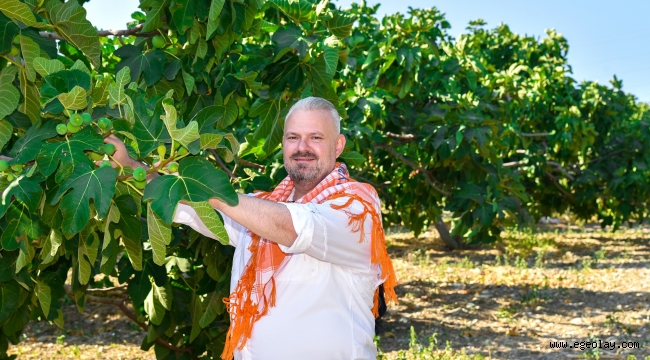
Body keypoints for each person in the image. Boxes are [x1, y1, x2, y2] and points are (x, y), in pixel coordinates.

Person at [104, 97, 398, 360]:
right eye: (293, 137)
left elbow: (291, 225)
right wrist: (128, 164)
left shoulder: (357, 208)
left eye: (315, 137)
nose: (302, 148)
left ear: (338, 146)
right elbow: (188, 203)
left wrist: (206, 188)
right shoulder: (260, 207)